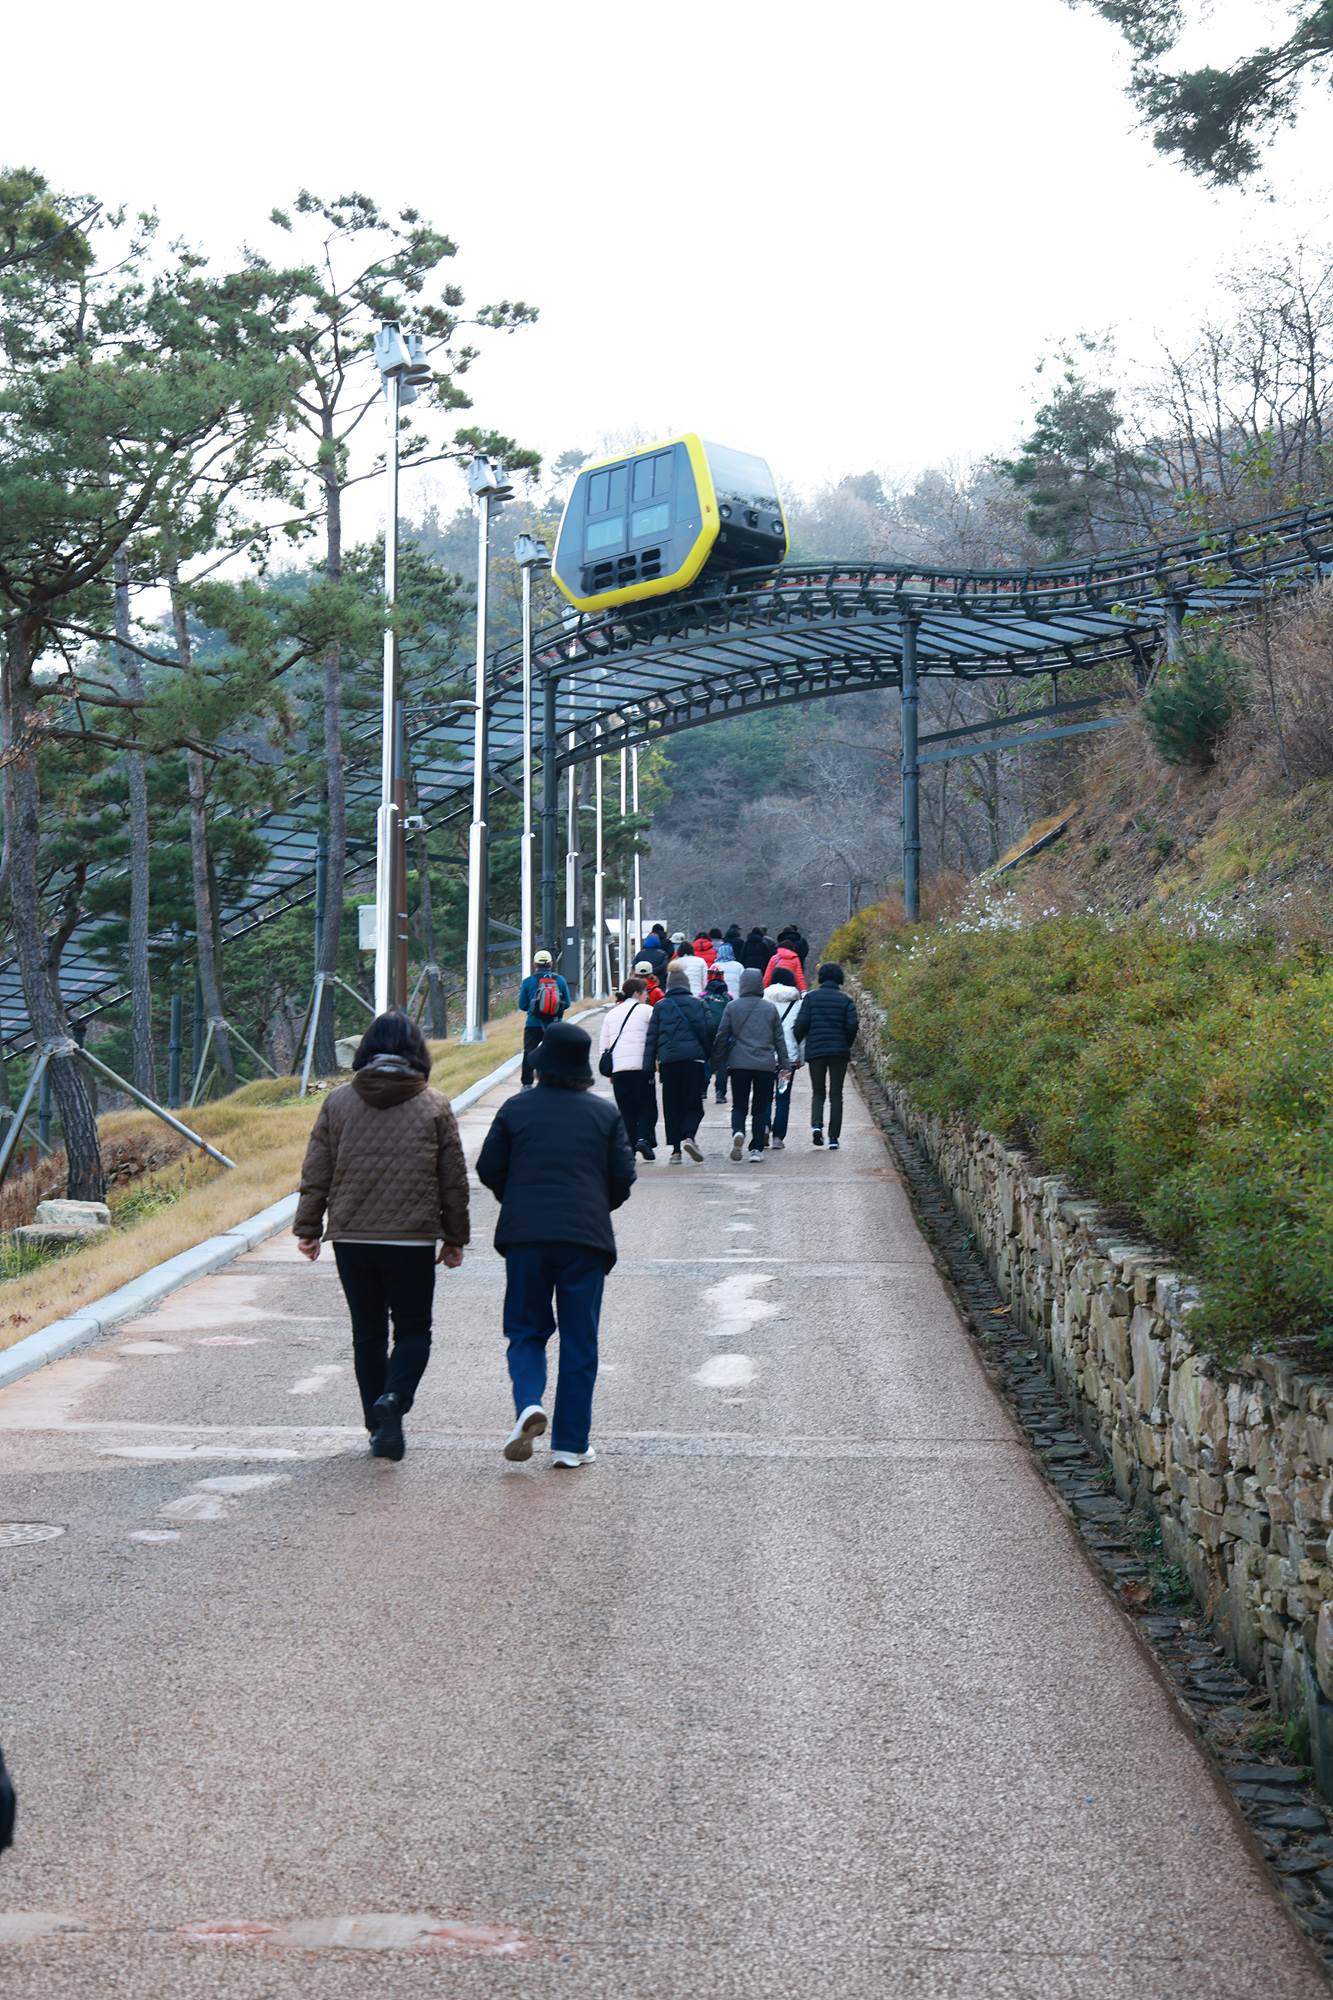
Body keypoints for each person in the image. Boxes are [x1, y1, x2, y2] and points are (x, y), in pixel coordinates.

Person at [295, 1011, 470, 1461]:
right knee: (413, 1330)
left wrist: (309, 1228)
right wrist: (454, 1237)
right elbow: (453, 1179)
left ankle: (377, 1426)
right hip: (412, 1238)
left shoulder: (338, 1102)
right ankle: (394, 1399)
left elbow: (317, 1170)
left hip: (352, 1238)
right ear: (417, 1051)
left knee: (367, 1333)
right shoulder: (434, 1104)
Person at [477, 1022, 636, 1468]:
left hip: (526, 1237)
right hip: (585, 1239)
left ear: (543, 1063)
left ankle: (529, 1402)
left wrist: (516, 1197)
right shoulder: (604, 1115)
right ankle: (570, 1443)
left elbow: (489, 1167)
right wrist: (595, 1203)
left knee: (526, 1330)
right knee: (580, 1340)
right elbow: (623, 1178)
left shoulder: (516, 1108)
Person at [711, 967, 786, 1162]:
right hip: (765, 1065)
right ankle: (756, 1149)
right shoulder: (770, 1008)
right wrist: (785, 1064)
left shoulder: (732, 1007)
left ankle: (738, 1131)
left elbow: (722, 1035)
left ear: (742, 984)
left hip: (739, 1064)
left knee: (739, 1104)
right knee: (760, 1108)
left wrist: (717, 1062)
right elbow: (779, 1039)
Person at [642, 962, 714, 1164]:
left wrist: (648, 1067)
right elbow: (709, 1029)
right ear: (686, 984)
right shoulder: (699, 1004)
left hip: (669, 1062)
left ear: (669, 986)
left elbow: (652, 1037)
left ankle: (675, 1152)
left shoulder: (661, 1006)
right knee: (694, 1102)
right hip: (694, 1060)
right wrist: (707, 1055)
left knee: (672, 1105)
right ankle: (690, 1136)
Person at [793, 962, 860, 1151]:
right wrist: (846, 1043)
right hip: (839, 1052)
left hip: (816, 1050)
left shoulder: (811, 998)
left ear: (821, 977)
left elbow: (801, 1024)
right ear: (839, 978)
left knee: (818, 1092)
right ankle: (833, 1138)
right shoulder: (846, 1000)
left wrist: (799, 1041)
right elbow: (852, 1025)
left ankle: (817, 1125)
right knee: (836, 1094)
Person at [598, 976, 655, 1161]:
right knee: (647, 1106)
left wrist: (610, 1070)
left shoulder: (612, 1014)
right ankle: (643, 1138)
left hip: (619, 1069)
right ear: (637, 993)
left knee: (626, 1110)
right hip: (642, 1067)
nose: (647, 995)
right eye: (645, 992)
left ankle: (629, 1148)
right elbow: (654, 1037)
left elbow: (604, 1045)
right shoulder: (648, 1011)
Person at [516, 949, 571, 1088]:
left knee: (529, 1052)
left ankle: (527, 1084)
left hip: (533, 1024)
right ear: (551, 963)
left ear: (535, 964)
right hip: (554, 1024)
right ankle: (554, 1081)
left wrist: (535, 1008)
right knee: (554, 1052)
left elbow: (522, 1005)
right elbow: (567, 1004)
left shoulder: (528, 982)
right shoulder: (560, 980)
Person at [766, 966, 805, 1150]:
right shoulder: (797, 1003)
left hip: (766, 1056)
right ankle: (778, 1137)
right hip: (787, 1059)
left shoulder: (764, 998)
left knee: (765, 1095)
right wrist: (800, 1057)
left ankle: (764, 1128)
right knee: (783, 1097)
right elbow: (800, 1033)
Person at [701, 964, 732, 1105]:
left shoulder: (703, 996)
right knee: (722, 1063)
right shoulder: (728, 997)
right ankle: (720, 1093)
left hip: (707, 1032)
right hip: (724, 1033)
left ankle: (702, 1089)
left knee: (706, 1059)